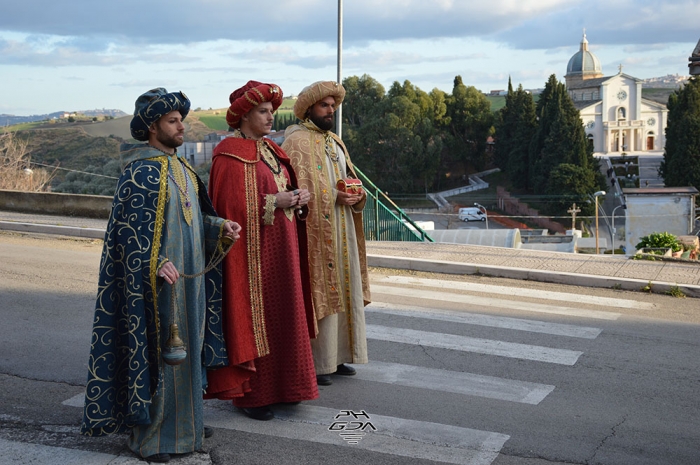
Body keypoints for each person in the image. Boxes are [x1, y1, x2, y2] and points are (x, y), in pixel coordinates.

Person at [80, 88, 241, 464]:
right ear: (152, 128)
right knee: (158, 355)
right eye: (172, 121)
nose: (181, 126)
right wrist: (151, 266)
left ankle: (188, 425)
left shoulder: (183, 169)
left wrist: (219, 227)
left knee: (188, 354)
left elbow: (193, 220)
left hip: (190, 284)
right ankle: (150, 438)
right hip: (156, 289)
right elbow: (126, 239)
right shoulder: (139, 172)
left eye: (181, 120)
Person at [205, 81, 319, 420]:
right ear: (243, 116)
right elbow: (229, 208)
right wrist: (275, 201)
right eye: (263, 112)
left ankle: (287, 387)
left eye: (272, 111)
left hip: (282, 251)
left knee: (285, 313)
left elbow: (282, 189)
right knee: (257, 318)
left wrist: (298, 199)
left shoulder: (272, 150)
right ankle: (254, 396)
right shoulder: (228, 155)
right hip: (251, 258)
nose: (271, 117)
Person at [282, 81, 370, 386]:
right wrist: (332, 196)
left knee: (346, 289)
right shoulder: (296, 141)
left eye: (333, 106)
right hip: (315, 232)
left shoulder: (335, 141)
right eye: (325, 106)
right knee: (318, 292)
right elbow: (293, 189)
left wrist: (356, 195)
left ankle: (339, 356)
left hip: (342, 227)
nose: (330, 111)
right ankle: (318, 364)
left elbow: (349, 179)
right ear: (309, 109)